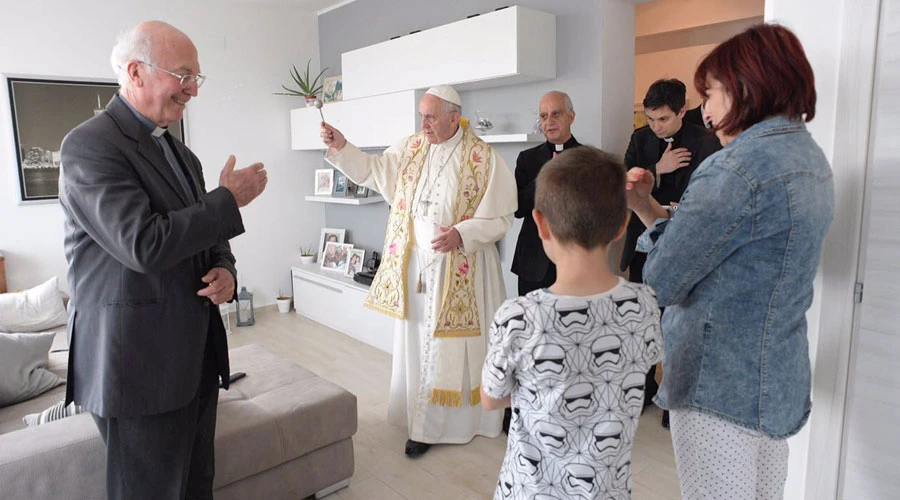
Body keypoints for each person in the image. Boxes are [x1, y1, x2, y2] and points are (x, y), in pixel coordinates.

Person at [58, 21, 267, 500]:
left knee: (196, 487)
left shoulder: (182, 155)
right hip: (137, 367)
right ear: (135, 72)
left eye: (197, 78)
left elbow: (205, 233)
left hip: (193, 358)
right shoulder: (89, 147)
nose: (193, 89)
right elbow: (143, 245)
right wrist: (228, 200)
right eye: (184, 74)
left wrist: (226, 271)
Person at [625, 24, 834, 499]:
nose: (707, 109)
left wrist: (653, 222)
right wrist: (649, 211)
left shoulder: (733, 168)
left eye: (712, 93)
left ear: (745, 89)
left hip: (717, 385)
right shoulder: (809, 157)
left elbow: (662, 280)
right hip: (776, 374)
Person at [320, 84, 516, 458]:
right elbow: (376, 172)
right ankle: (419, 418)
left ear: (452, 115)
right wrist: (343, 146)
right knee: (418, 342)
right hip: (417, 268)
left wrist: (462, 233)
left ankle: (460, 423)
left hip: (464, 268)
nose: (422, 123)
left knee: (455, 347)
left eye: (430, 116)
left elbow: (502, 216)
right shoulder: (410, 148)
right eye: (421, 115)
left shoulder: (483, 157)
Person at [481, 146, 662, 499]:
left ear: (540, 224)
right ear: (623, 224)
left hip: (531, 490)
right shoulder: (645, 305)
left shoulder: (519, 317)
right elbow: (641, 367)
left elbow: (491, 399)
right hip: (607, 489)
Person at [621, 78, 720, 426]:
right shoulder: (640, 140)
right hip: (644, 244)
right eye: (650, 119)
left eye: (663, 119)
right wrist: (656, 171)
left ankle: (674, 398)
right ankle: (644, 388)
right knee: (643, 321)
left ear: (682, 109)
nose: (655, 126)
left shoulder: (706, 141)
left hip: (686, 244)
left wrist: (679, 208)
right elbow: (625, 183)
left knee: (678, 323)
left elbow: (711, 191)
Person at [506, 90, 580, 434]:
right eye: (543, 116)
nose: (548, 122)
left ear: (570, 117)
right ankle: (525, 406)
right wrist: (544, 177)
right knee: (531, 337)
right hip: (534, 259)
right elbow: (518, 207)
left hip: (571, 262)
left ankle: (563, 409)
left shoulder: (587, 159)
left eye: (555, 115)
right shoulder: (527, 158)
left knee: (566, 337)